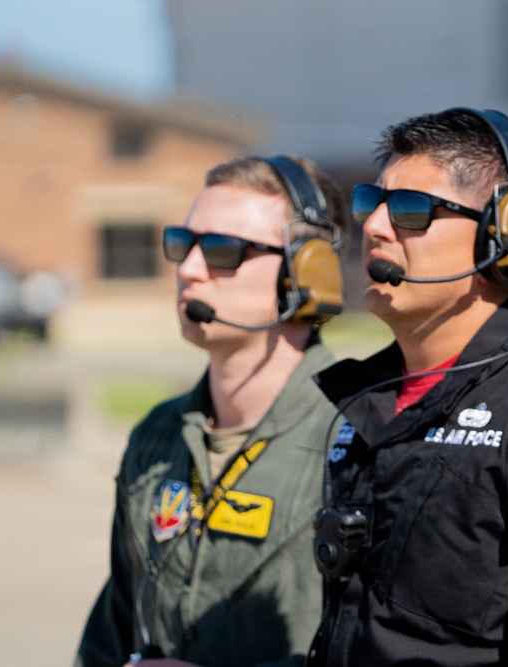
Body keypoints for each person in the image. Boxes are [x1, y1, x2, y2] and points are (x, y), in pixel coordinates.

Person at [307, 108, 508, 667]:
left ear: (501, 236)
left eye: (411, 211)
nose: (373, 227)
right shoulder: (364, 401)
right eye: (373, 202)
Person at [75, 155, 347, 667]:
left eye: (222, 250)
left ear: (307, 274)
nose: (190, 269)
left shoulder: (363, 435)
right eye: (184, 244)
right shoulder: (156, 435)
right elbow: (110, 634)